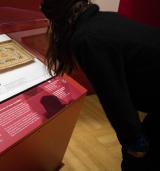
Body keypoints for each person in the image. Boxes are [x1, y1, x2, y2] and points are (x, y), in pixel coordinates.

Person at [40, 0, 160, 170]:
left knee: (137, 161)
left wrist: (134, 144)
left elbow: (115, 98)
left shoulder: (87, 38)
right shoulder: (102, 20)